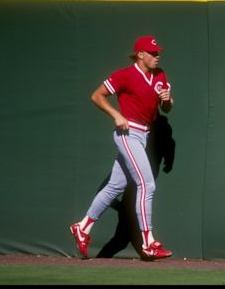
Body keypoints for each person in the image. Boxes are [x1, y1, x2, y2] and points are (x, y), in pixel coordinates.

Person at [70, 35, 174, 260]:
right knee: (147, 185)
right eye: (153, 53)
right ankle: (148, 242)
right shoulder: (125, 75)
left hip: (143, 135)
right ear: (140, 54)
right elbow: (96, 96)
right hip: (127, 133)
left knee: (114, 187)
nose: (157, 56)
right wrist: (116, 114)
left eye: (158, 53)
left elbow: (167, 109)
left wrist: (167, 100)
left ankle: (83, 227)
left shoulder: (160, 75)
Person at [96, 114, 176, 260]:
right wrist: (122, 208)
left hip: (138, 201)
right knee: (121, 240)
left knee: (120, 240)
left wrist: (168, 158)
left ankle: (147, 251)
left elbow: (168, 157)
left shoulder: (160, 142)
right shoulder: (133, 148)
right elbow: (105, 188)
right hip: (130, 202)